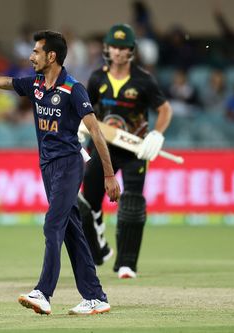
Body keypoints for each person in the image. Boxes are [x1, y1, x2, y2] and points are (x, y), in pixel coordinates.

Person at [0, 30, 121, 315]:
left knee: (52, 225)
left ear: (51, 56)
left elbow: (96, 132)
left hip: (69, 164)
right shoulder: (36, 85)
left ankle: (44, 293)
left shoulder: (73, 89)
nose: (31, 57)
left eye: (36, 52)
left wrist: (108, 175)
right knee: (70, 231)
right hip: (48, 166)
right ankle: (95, 296)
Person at [78, 24, 172, 279]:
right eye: (114, 47)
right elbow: (86, 109)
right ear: (108, 49)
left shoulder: (143, 80)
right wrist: (82, 128)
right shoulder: (98, 77)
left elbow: (165, 110)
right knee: (87, 203)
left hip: (134, 151)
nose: (118, 52)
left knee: (131, 203)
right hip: (102, 148)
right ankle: (98, 251)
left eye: (124, 48)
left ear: (131, 51)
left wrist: (157, 133)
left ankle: (127, 263)